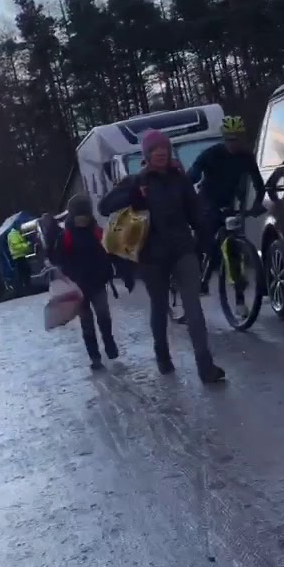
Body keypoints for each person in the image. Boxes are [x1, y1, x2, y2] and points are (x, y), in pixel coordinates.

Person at [100, 128, 226, 384]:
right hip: (151, 257)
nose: (160, 153)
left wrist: (206, 241)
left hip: (182, 249)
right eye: (155, 150)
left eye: (164, 149)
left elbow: (195, 211)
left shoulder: (180, 180)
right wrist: (135, 196)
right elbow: (104, 207)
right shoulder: (136, 181)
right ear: (146, 154)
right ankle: (162, 354)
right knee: (159, 307)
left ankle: (205, 365)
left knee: (193, 308)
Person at [187, 115, 266, 310]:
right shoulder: (211, 154)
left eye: (237, 138)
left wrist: (256, 204)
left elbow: (258, 183)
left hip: (228, 203)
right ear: (224, 138)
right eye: (230, 139)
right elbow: (193, 174)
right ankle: (196, 277)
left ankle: (239, 299)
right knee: (205, 237)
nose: (234, 143)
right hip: (207, 200)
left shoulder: (246, 158)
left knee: (231, 248)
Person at [52, 194, 119, 369]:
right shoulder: (80, 233)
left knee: (95, 319)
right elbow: (61, 260)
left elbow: (59, 260)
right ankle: (101, 351)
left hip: (88, 284)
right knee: (95, 319)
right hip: (86, 285)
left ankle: (100, 351)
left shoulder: (84, 232)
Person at [7, 225, 32, 293]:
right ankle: (25, 289)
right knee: (24, 273)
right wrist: (27, 245)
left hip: (20, 256)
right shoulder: (13, 234)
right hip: (18, 257)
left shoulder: (16, 233)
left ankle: (25, 288)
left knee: (24, 273)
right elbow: (16, 246)